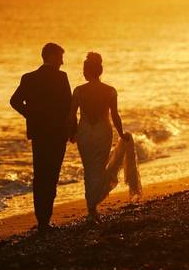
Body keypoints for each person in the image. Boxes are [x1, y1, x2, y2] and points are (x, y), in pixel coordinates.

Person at [68, 52, 141, 222]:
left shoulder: (79, 91)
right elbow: (115, 115)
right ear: (100, 71)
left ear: (87, 71)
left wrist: (71, 133)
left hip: (85, 132)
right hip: (103, 132)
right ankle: (93, 205)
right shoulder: (110, 91)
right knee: (99, 167)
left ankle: (91, 207)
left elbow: (71, 115)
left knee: (89, 169)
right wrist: (121, 133)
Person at [9, 42, 72, 232]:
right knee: (51, 176)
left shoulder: (28, 78)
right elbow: (69, 106)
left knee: (40, 176)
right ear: (51, 57)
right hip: (57, 134)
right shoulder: (61, 77)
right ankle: (46, 219)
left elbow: (14, 101)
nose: (62, 62)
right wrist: (73, 131)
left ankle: (42, 221)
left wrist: (32, 115)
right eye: (60, 57)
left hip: (39, 134)